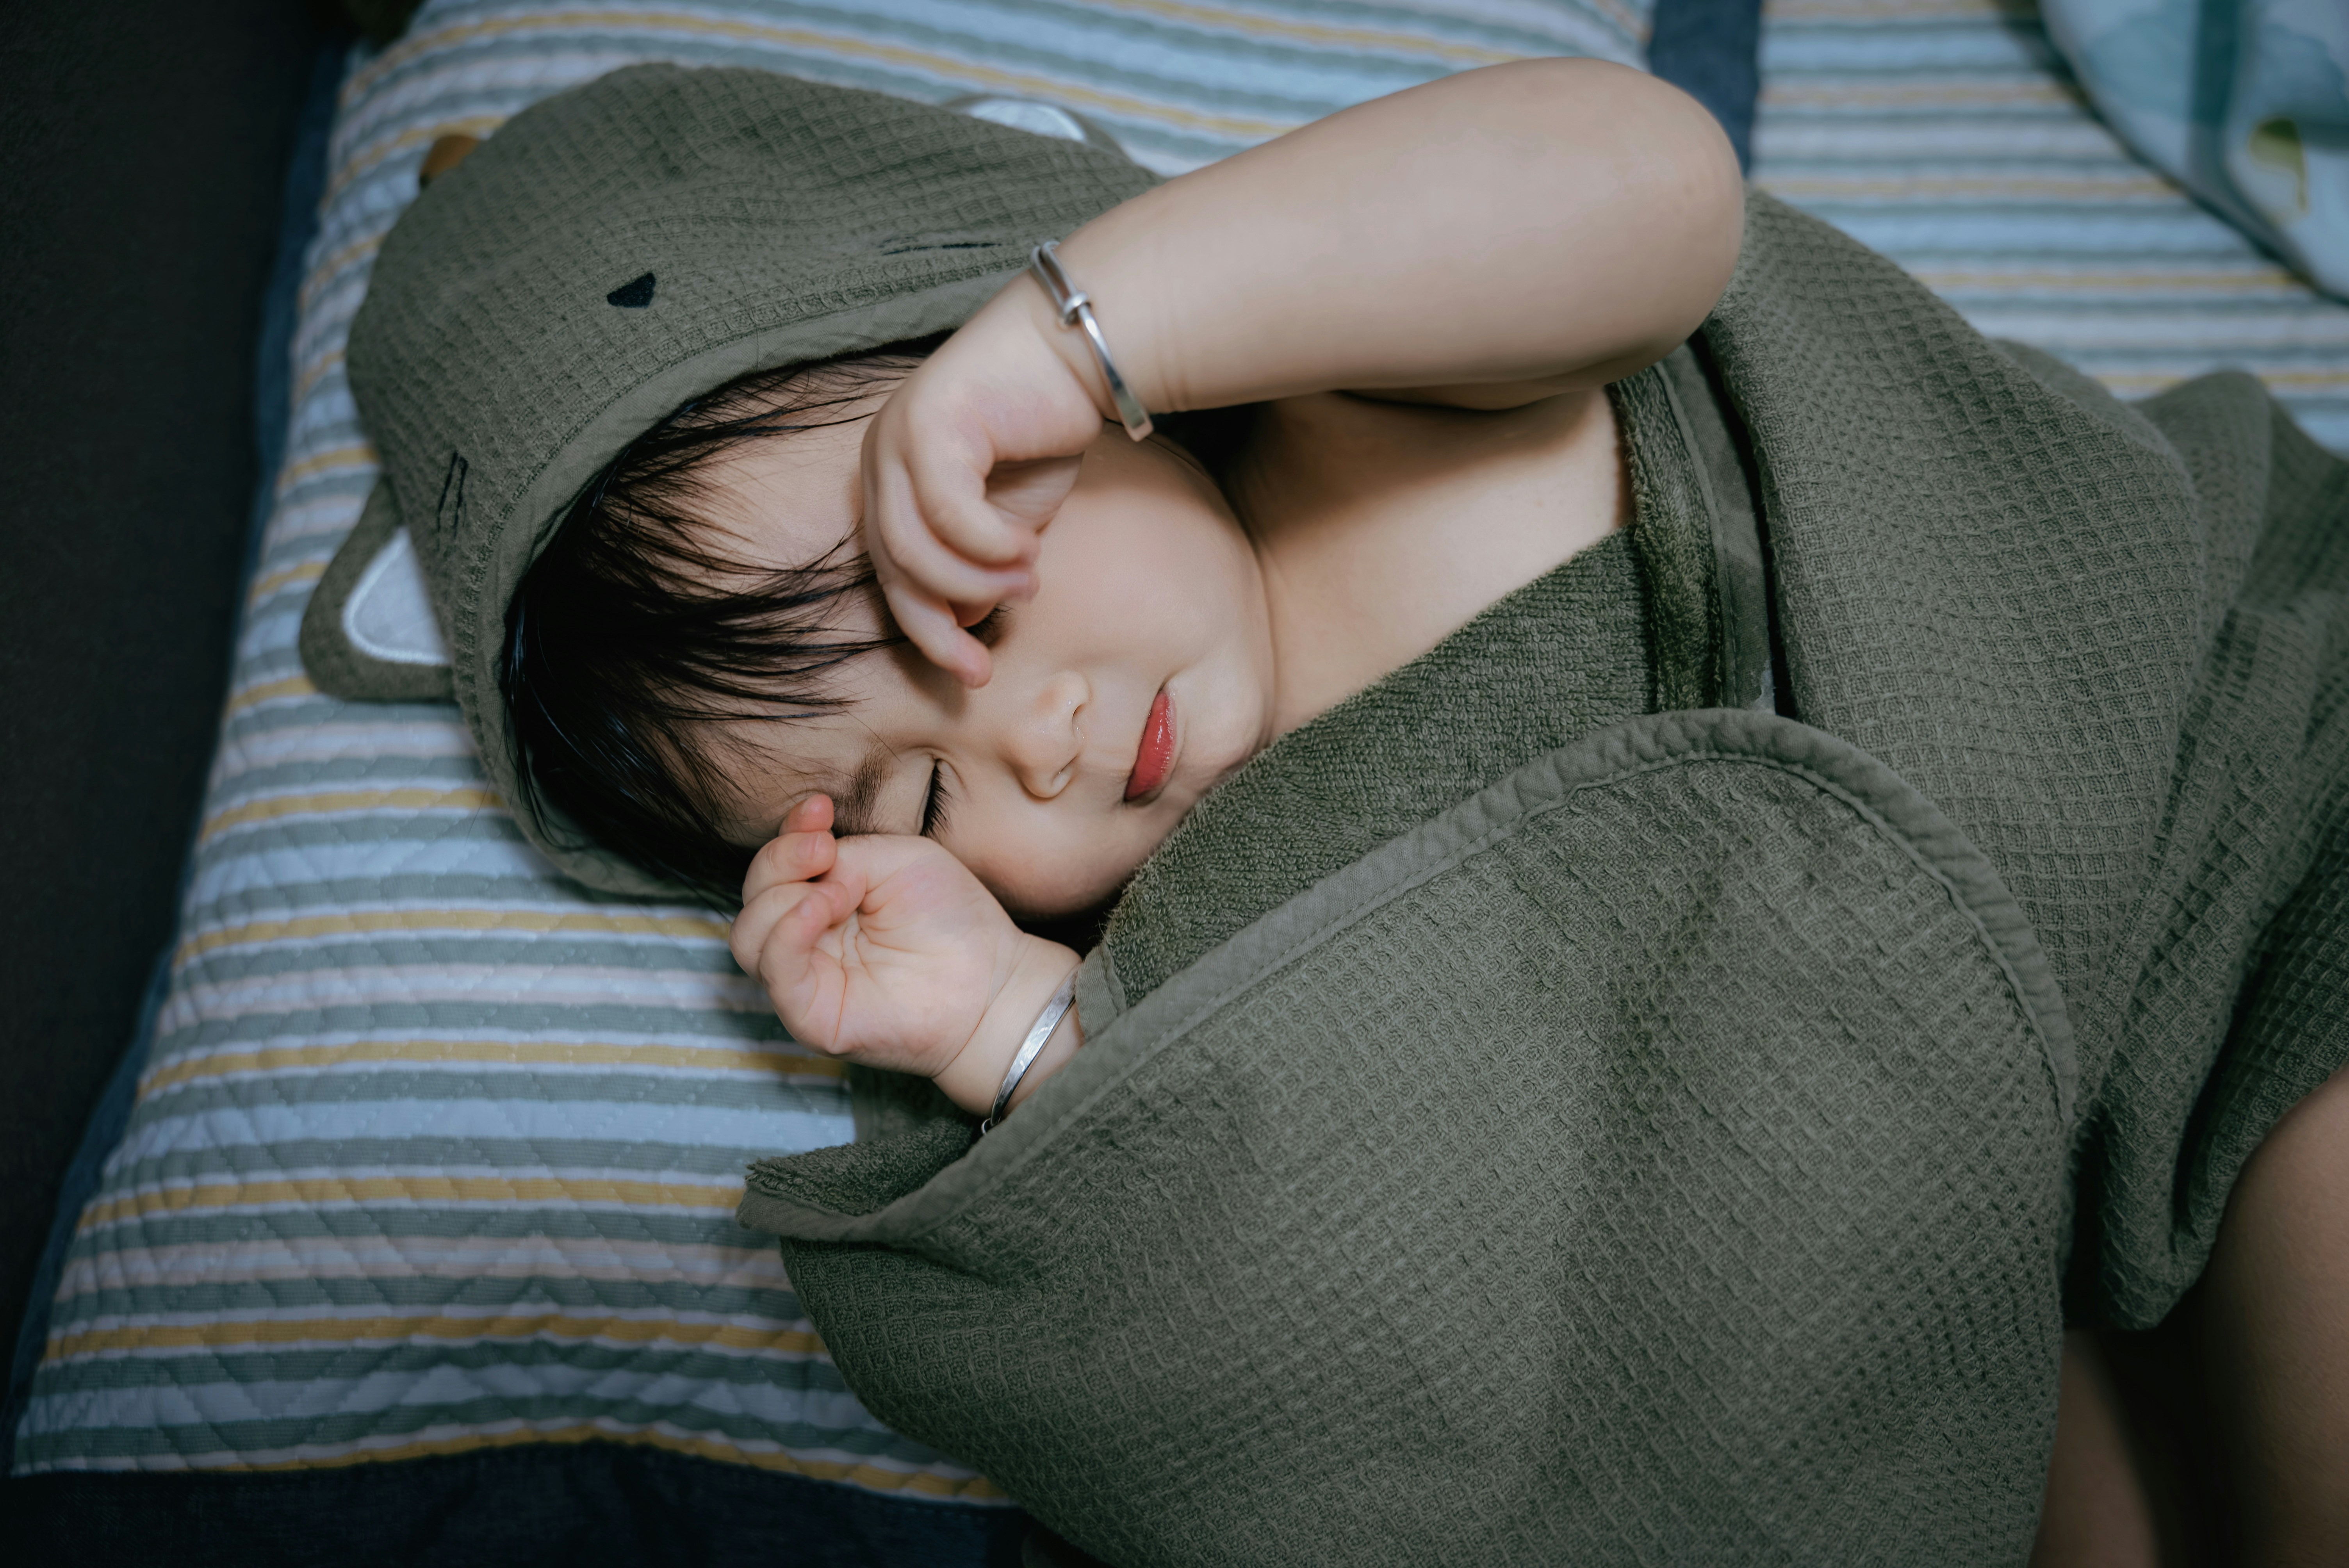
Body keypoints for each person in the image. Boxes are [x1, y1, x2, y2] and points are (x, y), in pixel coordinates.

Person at [308, 57, 2346, 1562]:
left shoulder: (1374, 390)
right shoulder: (1179, 948)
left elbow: (1647, 189)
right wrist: (1023, 1042)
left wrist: (1087, 324)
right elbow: (1376, 1297)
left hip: (2212, 826)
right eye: (918, 783)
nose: (1031, 731)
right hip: (1927, 1236)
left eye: (979, 568)